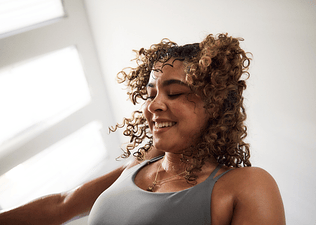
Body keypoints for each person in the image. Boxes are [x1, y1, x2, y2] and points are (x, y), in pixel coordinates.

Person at [0, 33, 286, 225]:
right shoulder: (137, 167)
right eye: (150, 95)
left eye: (174, 93)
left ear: (214, 105)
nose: (153, 106)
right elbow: (62, 205)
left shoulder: (246, 185)